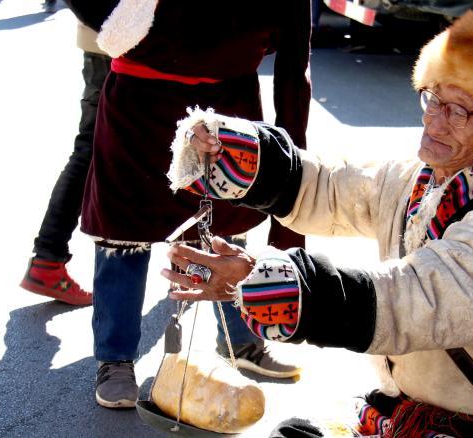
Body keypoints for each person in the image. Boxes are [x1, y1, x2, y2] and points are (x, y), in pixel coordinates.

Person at [163, 7, 473, 437]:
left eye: (459, 111)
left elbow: (404, 301)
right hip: (411, 409)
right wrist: (232, 150)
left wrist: (262, 280)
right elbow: (331, 188)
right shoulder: (423, 179)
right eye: (433, 99)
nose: (436, 122)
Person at [63, 0, 311, 409]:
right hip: (138, 103)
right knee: (123, 233)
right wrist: (119, 20)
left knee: (226, 230)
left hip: (228, 102)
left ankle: (241, 342)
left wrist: (293, 171)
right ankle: (115, 358)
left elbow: (294, 65)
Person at [20, 23, 110, 306]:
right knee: (96, 148)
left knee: (92, 148)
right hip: (127, 44)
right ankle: (48, 257)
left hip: (109, 39)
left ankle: (47, 257)